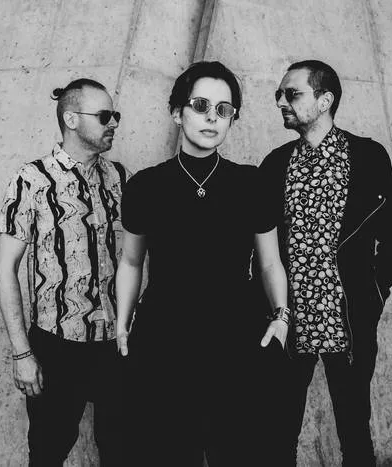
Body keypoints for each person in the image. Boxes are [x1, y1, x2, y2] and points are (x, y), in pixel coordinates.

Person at [114, 61, 290, 467]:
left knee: (242, 454)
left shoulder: (251, 183)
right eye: (200, 105)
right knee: (169, 454)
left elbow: (270, 263)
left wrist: (281, 318)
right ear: (177, 113)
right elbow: (131, 262)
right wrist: (123, 324)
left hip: (238, 341)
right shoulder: (145, 186)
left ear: (232, 119)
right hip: (164, 342)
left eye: (224, 109)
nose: (212, 117)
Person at [259, 60, 392, 466]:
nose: (281, 102)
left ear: (324, 101)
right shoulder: (275, 165)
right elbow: (261, 247)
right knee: (278, 436)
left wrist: (373, 298)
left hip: (348, 320)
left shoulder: (367, 157)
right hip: (291, 321)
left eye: (292, 94)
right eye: (279, 94)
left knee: (355, 433)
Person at [0, 78, 128, 466]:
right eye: (104, 115)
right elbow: (5, 271)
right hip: (57, 347)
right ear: (71, 119)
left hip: (114, 345)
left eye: (115, 115)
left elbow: (134, 259)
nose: (113, 122)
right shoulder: (32, 179)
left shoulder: (119, 176)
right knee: (48, 452)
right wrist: (22, 353)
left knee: (121, 449)